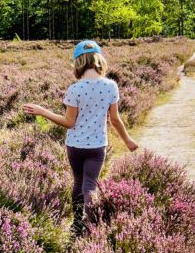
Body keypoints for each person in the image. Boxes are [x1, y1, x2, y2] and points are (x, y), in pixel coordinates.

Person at [23, 40, 138, 233]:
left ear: (78, 62)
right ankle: (90, 224)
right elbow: (115, 120)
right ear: (99, 59)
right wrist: (127, 140)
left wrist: (43, 111)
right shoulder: (111, 86)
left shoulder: (75, 89)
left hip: (74, 146)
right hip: (97, 146)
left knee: (78, 182)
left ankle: (77, 223)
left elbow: (69, 123)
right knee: (90, 184)